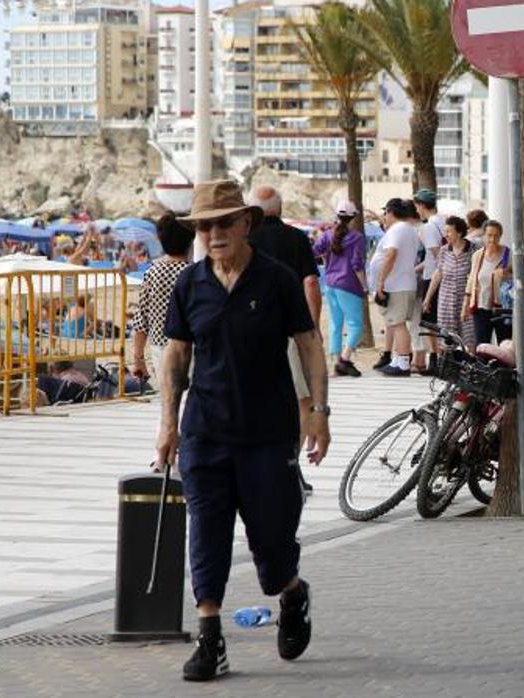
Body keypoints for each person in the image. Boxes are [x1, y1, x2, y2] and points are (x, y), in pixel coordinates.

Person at [156, 180, 330, 682]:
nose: (214, 233)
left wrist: (318, 411)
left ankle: (292, 593)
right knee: (206, 535)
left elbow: (308, 342)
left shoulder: (275, 280)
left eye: (223, 223)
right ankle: (210, 639)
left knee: (273, 542)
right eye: (204, 225)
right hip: (205, 433)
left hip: (268, 434)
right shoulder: (190, 285)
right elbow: (176, 353)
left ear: (246, 224)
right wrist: (168, 423)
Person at [249, 185, 323, 494]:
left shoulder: (245, 239)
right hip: (291, 333)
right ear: (280, 209)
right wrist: (313, 327)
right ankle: (290, 467)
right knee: (301, 401)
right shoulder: (296, 239)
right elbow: (310, 283)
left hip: (250, 333)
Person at [132, 214, 193, 382]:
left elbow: (141, 321)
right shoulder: (194, 274)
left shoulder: (153, 272)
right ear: (191, 240)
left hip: (160, 346)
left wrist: (138, 360)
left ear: (159, 239)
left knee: (168, 400)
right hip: (191, 347)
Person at [314, 203, 367, 377]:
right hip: (349, 284)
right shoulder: (357, 237)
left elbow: (313, 251)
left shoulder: (327, 235)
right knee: (356, 325)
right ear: (353, 218)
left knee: (335, 323)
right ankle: (345, 359)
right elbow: (357, 265)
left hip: (329, 284)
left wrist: (326, 258)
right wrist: (365, 286)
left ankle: (336, 364)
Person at [372, 198, 420, 376]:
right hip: (404, 282)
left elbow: (391, 255)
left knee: (398, 324)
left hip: (396, 284)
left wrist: (380, 281)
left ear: (391, 213)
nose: (384, 216)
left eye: (385, 213)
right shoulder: (409, 229)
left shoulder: (397, 230)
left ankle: (403, 363)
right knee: (397, 323)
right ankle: (399, 359)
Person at [425, 216, 476, 350]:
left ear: (459, 232)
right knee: (446, 339)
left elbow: (475, 276)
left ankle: (468, 367)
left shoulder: (474, 250)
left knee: (469, 338)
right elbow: (438, 274)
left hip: (465, 301)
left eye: (449, 231)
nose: (445, 234)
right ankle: (447, 368)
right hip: (446, 301)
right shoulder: (444, 250)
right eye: (445, 231)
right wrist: (428, 298)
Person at [411, 190, 445, 375]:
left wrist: (441, 272)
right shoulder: (443, 221)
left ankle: (434, 359)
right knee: (438, 319)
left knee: (429, 321)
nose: (416, 210)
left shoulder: (428, 227)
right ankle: (438, 359)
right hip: (438, 274)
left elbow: (436, 254)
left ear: (422, 205)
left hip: (433, 277)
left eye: (417, 206)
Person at [465, 220, 511, 346]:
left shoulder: (508, 254)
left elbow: (518, 279)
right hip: (481, 306)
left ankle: (501, 367)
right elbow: (472, 279)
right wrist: (466, 305)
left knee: (504, 344)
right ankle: (483, 366)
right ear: (484, 236)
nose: (492, 239)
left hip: (502, 307)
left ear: (500, 236)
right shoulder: (477, 255)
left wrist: (508, 275)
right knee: (482, 344)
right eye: (489, 235)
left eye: (496, 235)